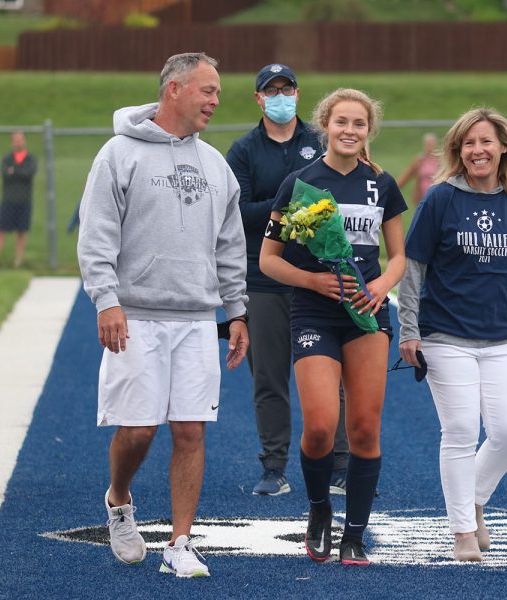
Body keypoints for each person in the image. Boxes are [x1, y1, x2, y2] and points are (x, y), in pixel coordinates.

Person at [77, 52, 249, 579]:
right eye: (208, 90)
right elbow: (97, 233)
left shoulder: (216, 165)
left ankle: (180, 542)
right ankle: (120, 499)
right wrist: (106, 299)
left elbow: (230, 244)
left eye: (217, 92)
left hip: (196, 318)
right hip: (136, 315)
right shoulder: (117, 154)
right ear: (174, 89)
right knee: (139, 431)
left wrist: (237, 310)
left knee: (191, 431)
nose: (216, 101)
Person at [397, 107, 507, 562]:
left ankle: (476, 499)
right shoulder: (441, 199)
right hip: (446, 335)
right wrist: (409, 329)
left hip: (505, 338)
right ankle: (462, 530)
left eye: (485, 141)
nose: (477, 150)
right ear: (458, 151)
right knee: (462, 430)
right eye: (468, 143)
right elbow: (413, 268)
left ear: (503, 146)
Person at [259, 88, 406, 566]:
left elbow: (399, 255)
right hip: (315, 312)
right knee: (321, 426)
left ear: (369, 130)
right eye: (341, 121)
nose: (349, 130)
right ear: (325, 124)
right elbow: (267, 261)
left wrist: (382, 285)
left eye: (359, 124)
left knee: (364, 429)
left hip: (366, 314)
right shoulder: (298, 184)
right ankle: (320, 511)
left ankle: (356, 533)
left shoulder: (381, 184)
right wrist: (311, 280)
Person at [226, 64, 350, 497]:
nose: (281, 96)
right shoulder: (242, 151)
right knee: (269, 377)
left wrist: (280, 203)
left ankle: (339, 465)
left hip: (317, 275)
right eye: (271, 90)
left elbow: (338, 197)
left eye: (287, 88)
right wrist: (293, 200)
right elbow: (240, 213)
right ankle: (274, 467)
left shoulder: (320, 141)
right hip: (263, 277)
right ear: (258, 98)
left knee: (329, 372)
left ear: (298, 93)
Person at [0, 130, 37, 267]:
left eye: (20, 139)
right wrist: (18, 171)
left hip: (24, 200)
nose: (18, 142)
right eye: (15, 139)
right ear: (12, 142)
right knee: (1, 230)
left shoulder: (30, 159)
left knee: (21, 232)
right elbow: (5, 174)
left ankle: (18, 260)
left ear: (24, 140)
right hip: (8, 200)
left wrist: (14, 171)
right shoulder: (7, 159)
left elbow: (29, 173)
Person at [396, 132, 439, 206]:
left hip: (438, 197)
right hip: (422, 198)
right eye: (428, 144)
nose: (430, 147)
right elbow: (405, 177)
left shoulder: (441, 161)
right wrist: (392, 189)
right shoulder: (419, 160)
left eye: (432, 144)